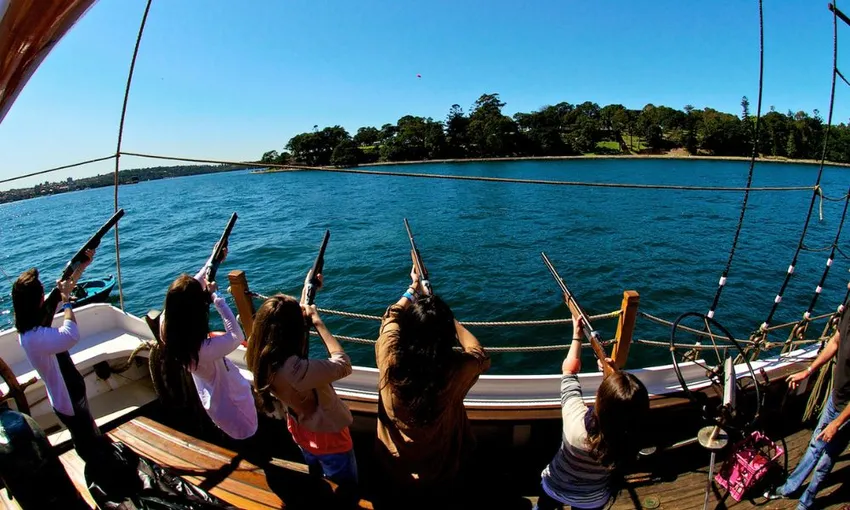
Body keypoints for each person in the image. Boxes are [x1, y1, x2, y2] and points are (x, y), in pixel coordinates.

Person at [374, 264, 490, 506]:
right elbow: (479, 354)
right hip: (442, 468)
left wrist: (412, 288)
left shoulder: (389, 355)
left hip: (394, 465)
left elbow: (392, 316)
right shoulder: (456, 369)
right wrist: (446, 317)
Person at [246, 270, 358, 492]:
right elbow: (343, 364)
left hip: (300, 430)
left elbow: (282, 324)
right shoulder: (297, 371)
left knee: (315, 471)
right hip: (329, 438)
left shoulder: (259, 355)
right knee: (345, 486)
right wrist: (318, 322)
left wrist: (309, 290)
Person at [535, 309, 649, 510]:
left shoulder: (576, 421)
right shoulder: (634, 436)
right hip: (594, 498)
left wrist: (577, 336)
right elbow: (619, 410)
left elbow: (569, 370)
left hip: (556, 486)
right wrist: (609, 376)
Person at [13, 250, 108, 463]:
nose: (44, 297)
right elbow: (70, 335)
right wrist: (66, 302)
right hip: (68, 399)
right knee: (87, 443)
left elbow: (63, 288)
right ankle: (99, 474)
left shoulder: (31, 324)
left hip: (71, 393)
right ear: (34, 301)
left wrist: (81, 265)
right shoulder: (33, 336)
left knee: (89, 434)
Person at [160, 248, 257, 442]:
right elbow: (236, 336)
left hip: (214, 402)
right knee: (249, 436)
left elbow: (186, 292)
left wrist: (213, 261)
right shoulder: (202, 350)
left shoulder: (167, 326)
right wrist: (217, 298)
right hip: (236, 408)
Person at [765, 291, 850, 510]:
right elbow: (836, 341)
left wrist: (837, 424)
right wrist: (809, 370)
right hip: (835, 398)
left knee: (826, 459)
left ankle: (806, 502)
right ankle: (790, 488)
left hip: (847, 413)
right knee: (815, 445)